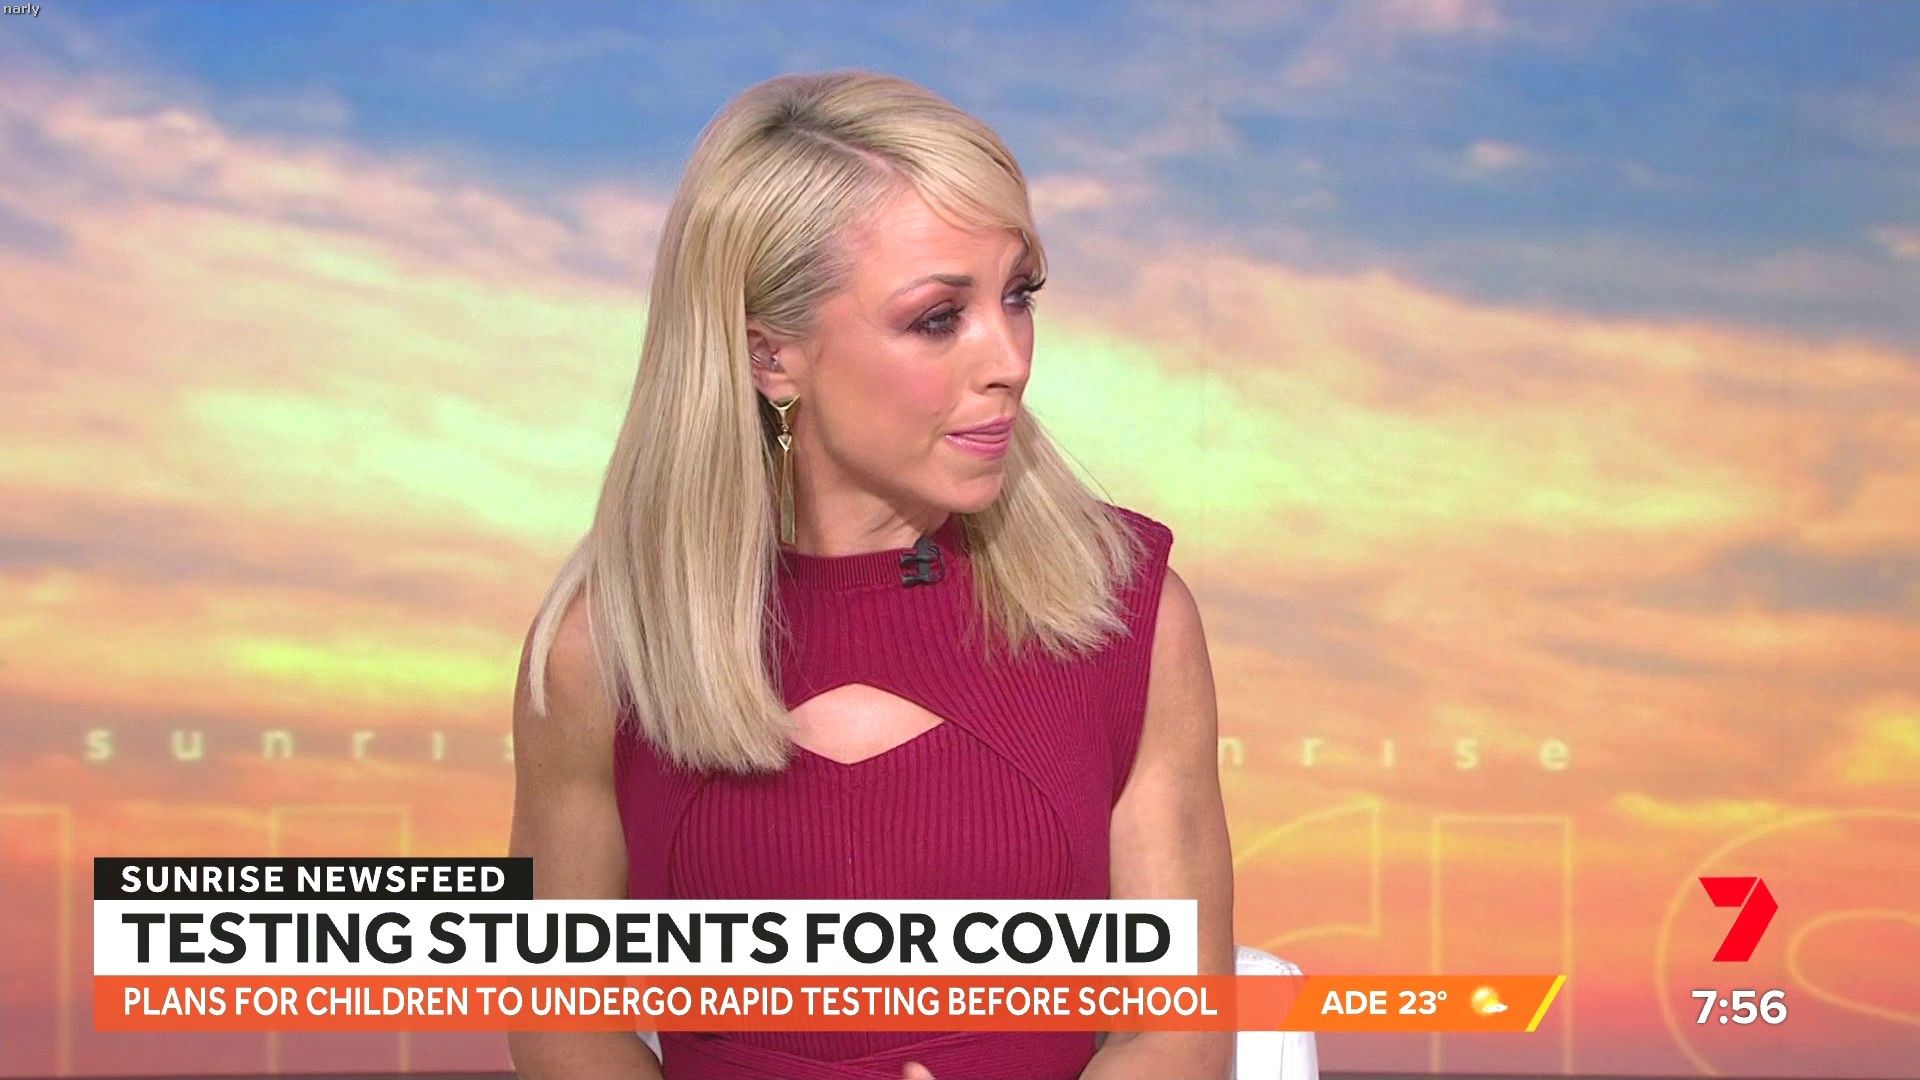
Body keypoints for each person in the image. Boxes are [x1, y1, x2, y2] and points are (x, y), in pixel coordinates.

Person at [507, 69, 1234, 1080]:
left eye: (1018, 297)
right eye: (939, 318)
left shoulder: (1128, 618)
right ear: (771, 357)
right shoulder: (605, 647)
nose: (1010, 360)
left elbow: (1177, 1031)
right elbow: (562, 1026)